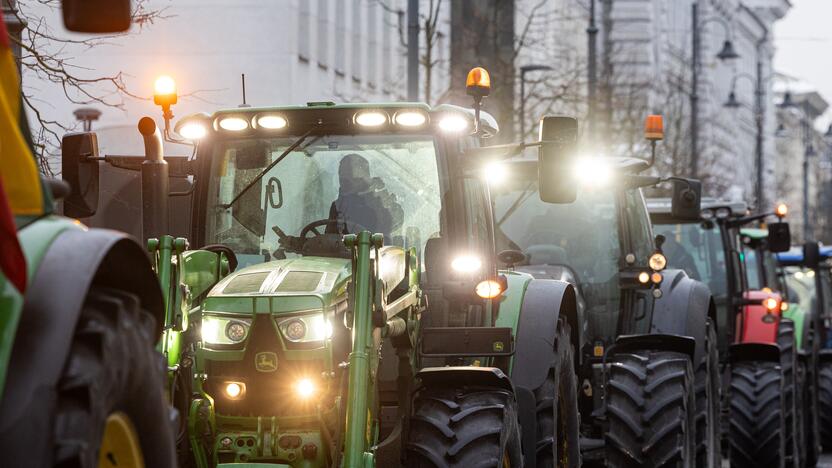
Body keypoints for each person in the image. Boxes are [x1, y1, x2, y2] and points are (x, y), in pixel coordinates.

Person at [328, 153, 403, 239]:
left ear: (365, 177)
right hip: (343, 251)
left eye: (350, 176)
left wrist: (388, 206)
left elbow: (396, 223)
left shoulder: (379, 200)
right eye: (343, 175)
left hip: (377, 251)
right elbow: (328, 239)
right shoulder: (337, 206)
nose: (345, 180)